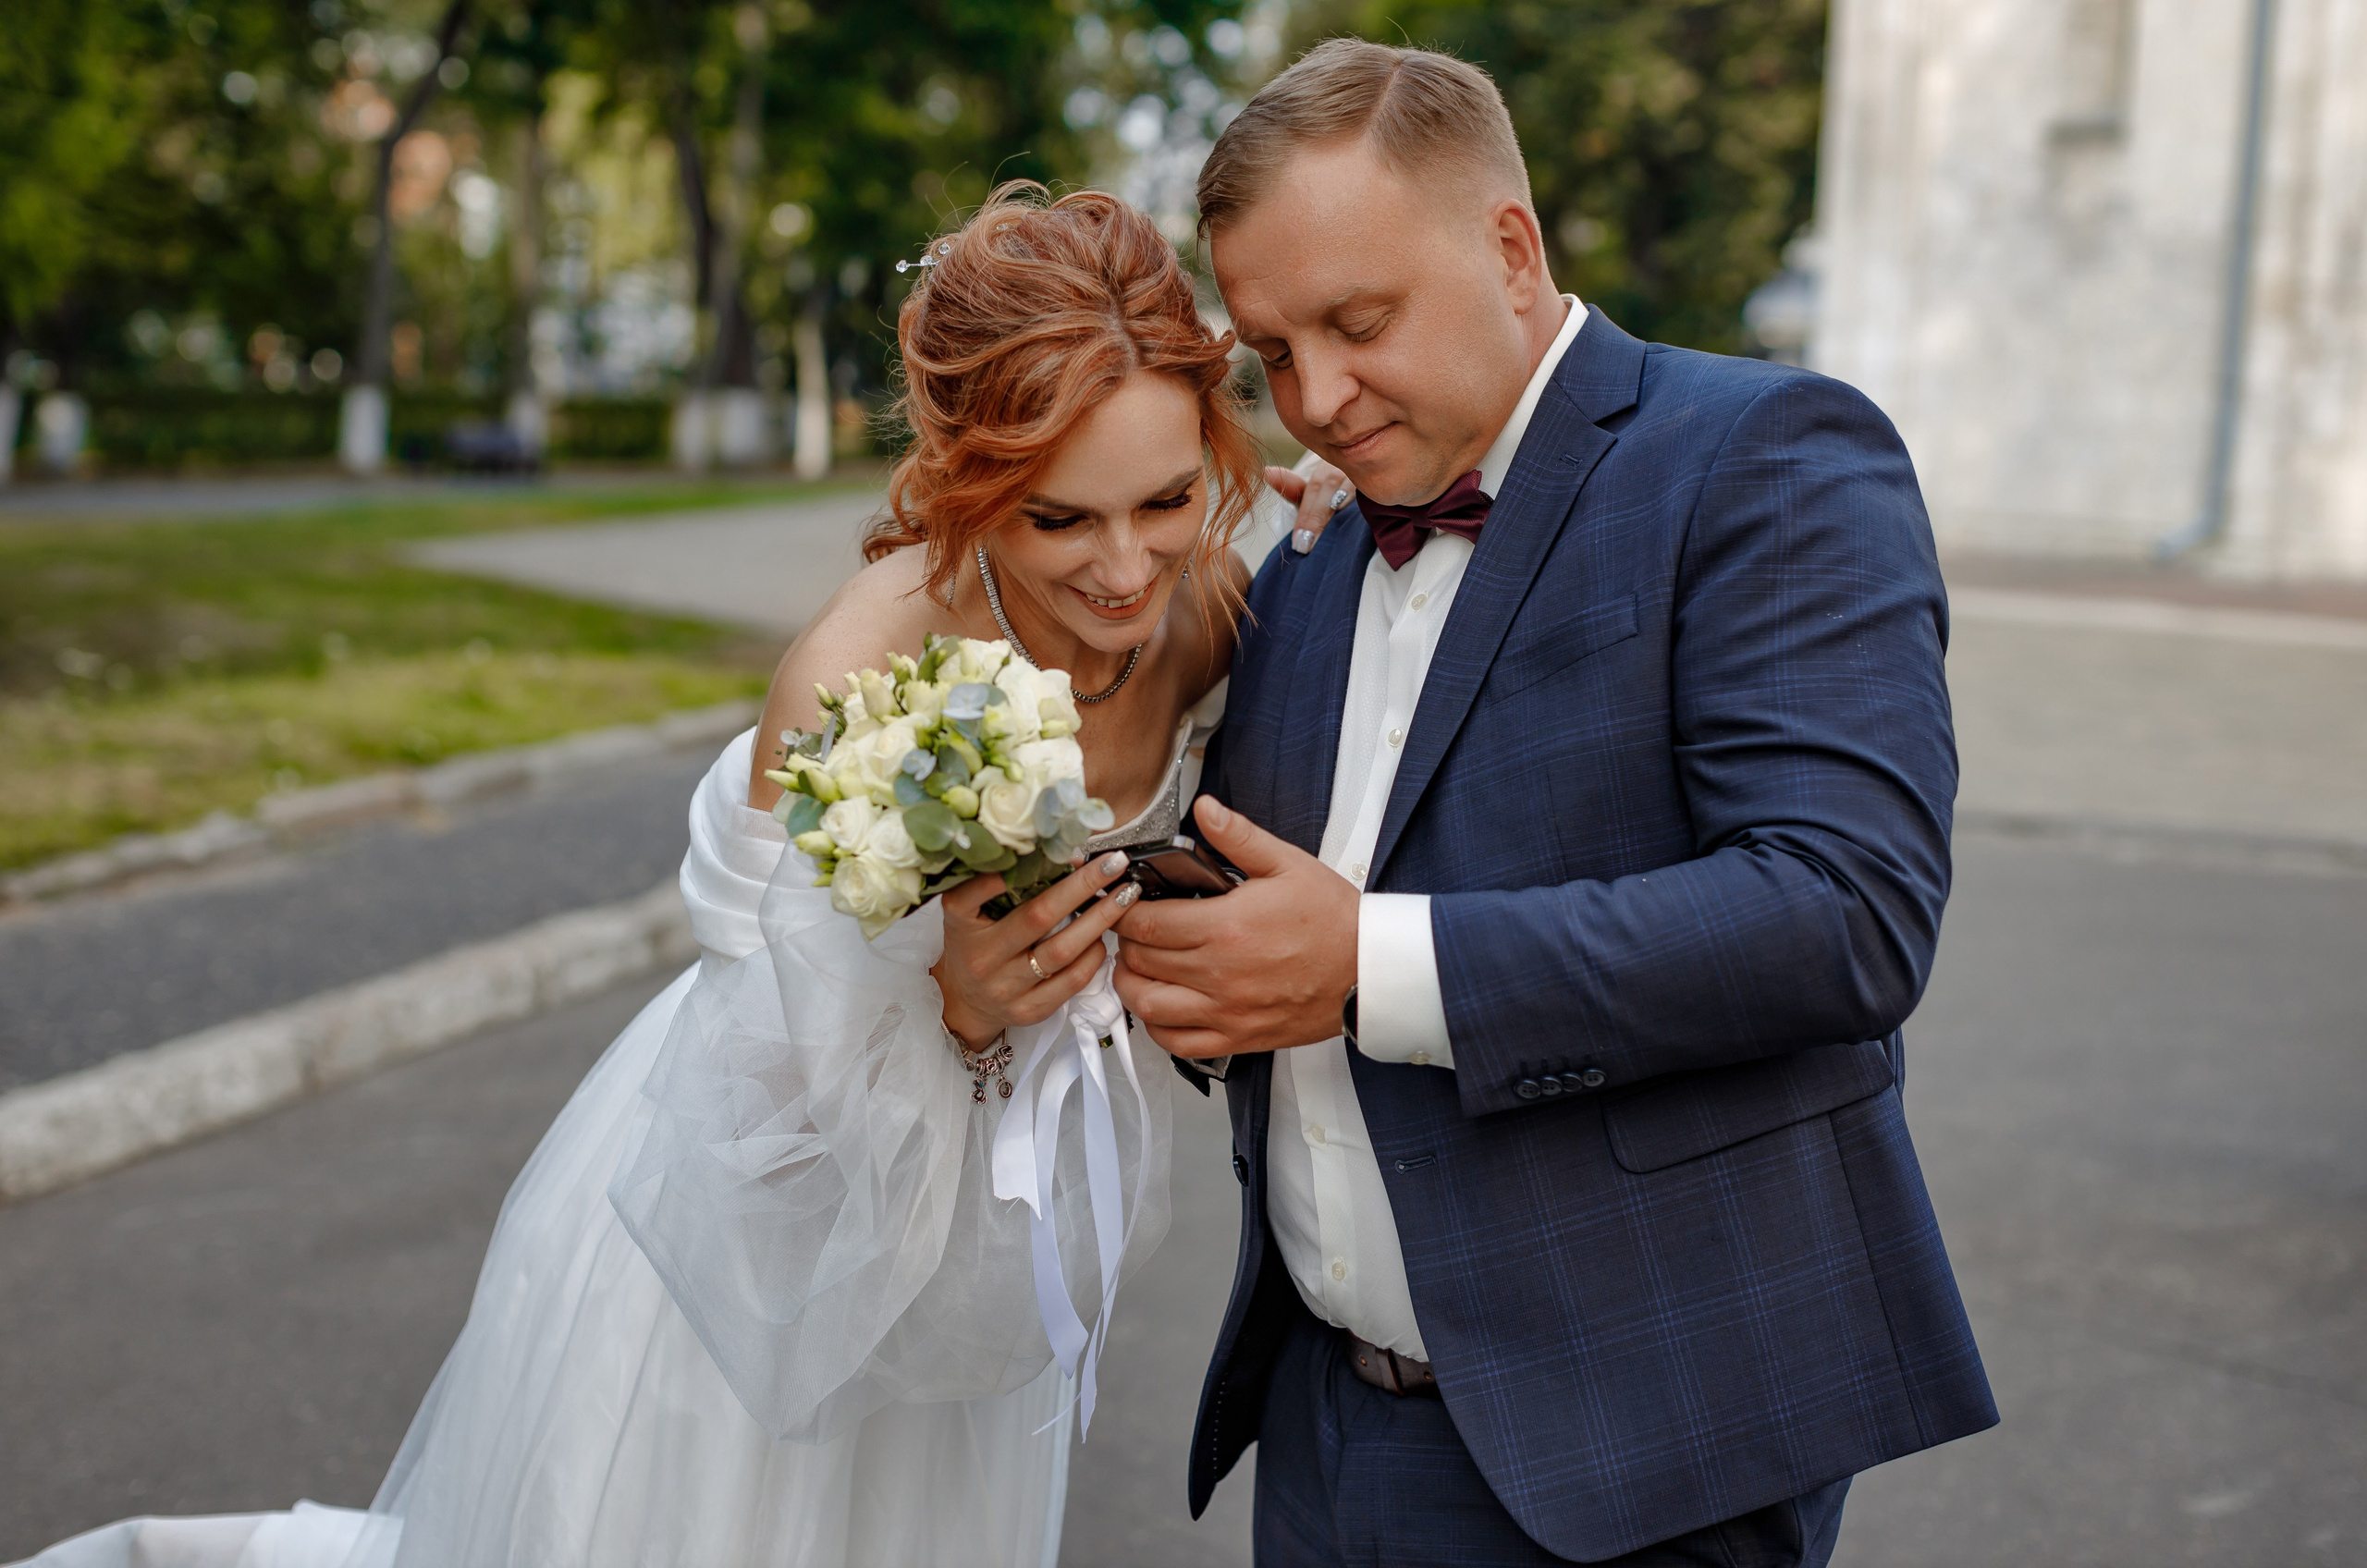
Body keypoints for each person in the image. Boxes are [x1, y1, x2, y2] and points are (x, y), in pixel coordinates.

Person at [13, 185, 1325, 1568]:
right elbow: (755, 1098)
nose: (1128, 569)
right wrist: (950, 1002)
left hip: (977, 1235)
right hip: (760, 1247)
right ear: (963, 478)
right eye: (1060, 522)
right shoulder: (851, 679)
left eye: (1170, 499)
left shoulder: (1216, 608)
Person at [1113, 40, 2000, 1567]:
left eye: (1359, 322)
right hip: (1323, 1432)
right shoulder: (1314, 557)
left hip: (1639, 1451)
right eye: (1270, 352)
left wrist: (1363, 969)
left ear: (1510, 249)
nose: (1314, 399)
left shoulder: (1763, 456)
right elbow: (1271, 902)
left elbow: (1843, 914)